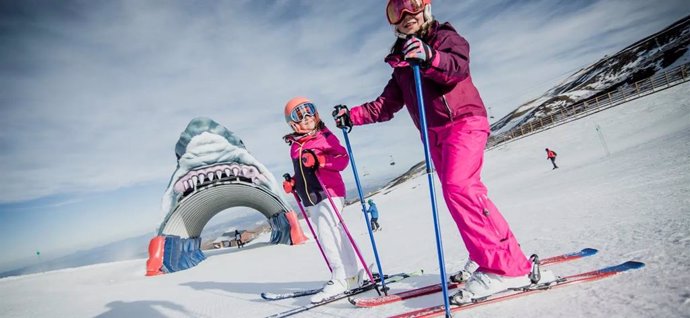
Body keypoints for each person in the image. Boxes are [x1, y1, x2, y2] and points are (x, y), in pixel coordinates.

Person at [331, 0, 556, 304]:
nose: (406, 14)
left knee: (460, 188)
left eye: (411, 5)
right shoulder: (401, 66)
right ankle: (489, 255)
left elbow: (456, 67)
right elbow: (386, 105)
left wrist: (429, 57)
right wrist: (352, 115)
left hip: (463, 122)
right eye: (397, 11)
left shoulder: (447, 38)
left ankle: (506, 268)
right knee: (459, 196)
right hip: (434, 135)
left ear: (425, 8)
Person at [281, 96, 364, 303]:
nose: (307, 116)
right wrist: (294, 183)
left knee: (327, 233)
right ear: (292, 122)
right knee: (336, 233)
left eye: (309, 110)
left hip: (330, 192)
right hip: (311, 197)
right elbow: (303, 172)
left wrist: (320, 160)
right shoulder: (295, 145)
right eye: (300, 113)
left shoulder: (324, 136)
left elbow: (342, 158)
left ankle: (339, 277)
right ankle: (353, 274)